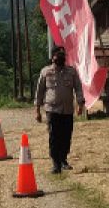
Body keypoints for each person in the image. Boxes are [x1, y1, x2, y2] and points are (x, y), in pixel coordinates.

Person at [35, 45, 85, 173]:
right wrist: (37, 111)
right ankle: (55, 163)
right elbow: (39, 92)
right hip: (52, 110)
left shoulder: (71, 71)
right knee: (54, 136)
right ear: (52, 58)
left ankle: (63, 160)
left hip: (67, 110)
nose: (61, 58)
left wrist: (80, 104)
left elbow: (78, 88)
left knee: (66, 135)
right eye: (58, 56)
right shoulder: (45, 72)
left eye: (63, 56)